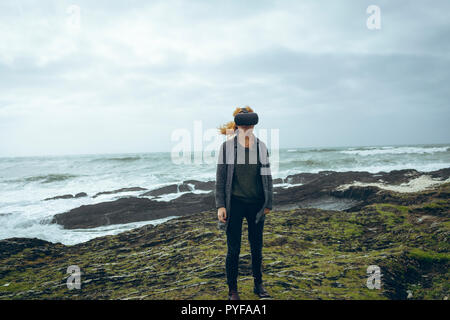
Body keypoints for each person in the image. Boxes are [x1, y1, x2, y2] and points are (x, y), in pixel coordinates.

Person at [215, 106, 273, 300]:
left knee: (256, 247)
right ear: (237, 126)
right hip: (235, 204)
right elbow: (221, 179)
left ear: (253, 126)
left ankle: (258, 285)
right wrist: (221, 205)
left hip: (256, 203)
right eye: (243, 126)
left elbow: (267, 176)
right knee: (234, 250)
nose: (247, 129)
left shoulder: (261, 147)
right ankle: (233, 290)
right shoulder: (227, 147)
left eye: (250, 126)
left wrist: (268, 203)